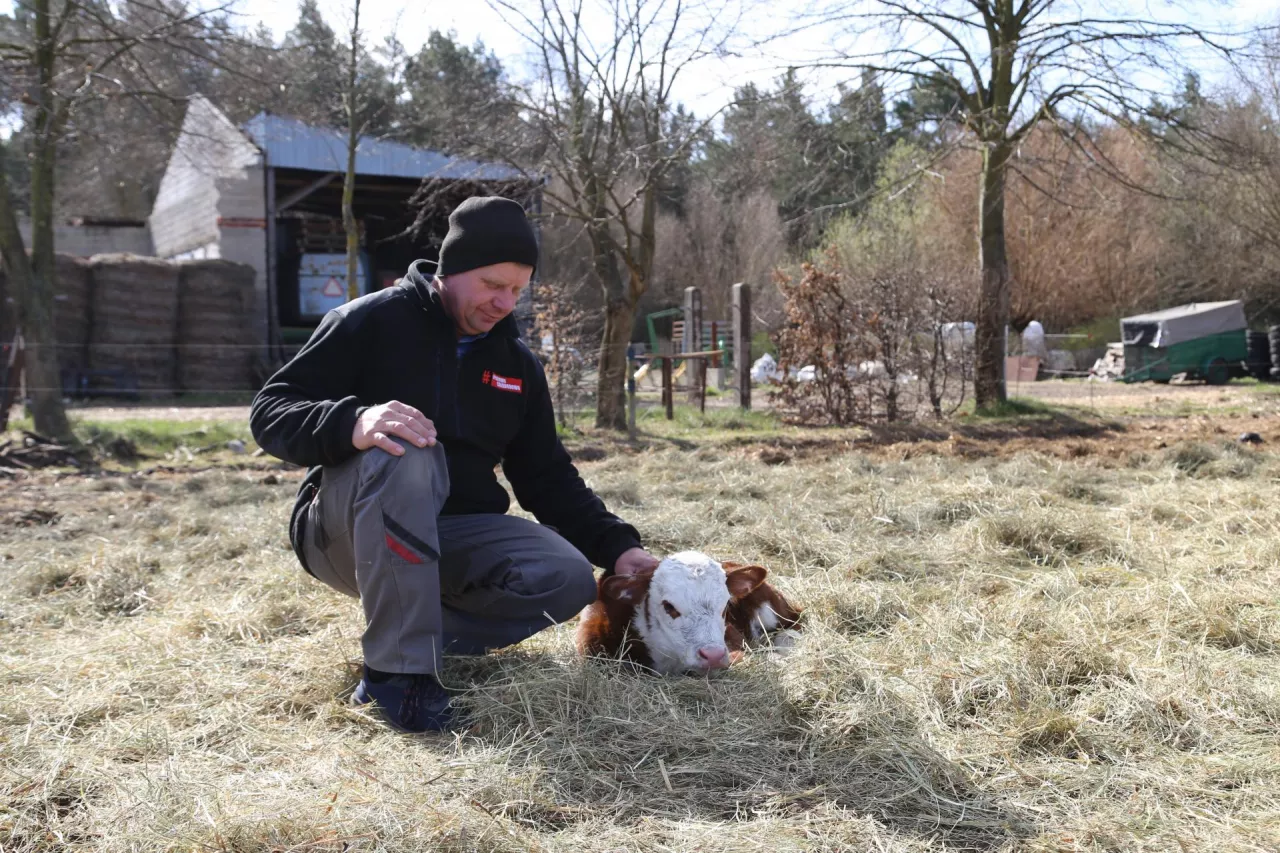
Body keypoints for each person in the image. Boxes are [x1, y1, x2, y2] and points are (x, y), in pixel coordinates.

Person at [250, 196, 658, 733]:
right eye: (492, 285)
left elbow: (546, 476)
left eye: (517, 289)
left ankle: (409, 636)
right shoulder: (370, 321)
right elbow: (271, 411)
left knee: (566, 577)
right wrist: (353, 422)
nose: (505, 303)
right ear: (452, 270)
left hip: (450, 534)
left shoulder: (517, 367)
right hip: (342, 532)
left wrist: (618, 547)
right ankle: (395, 676)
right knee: (409, 444)